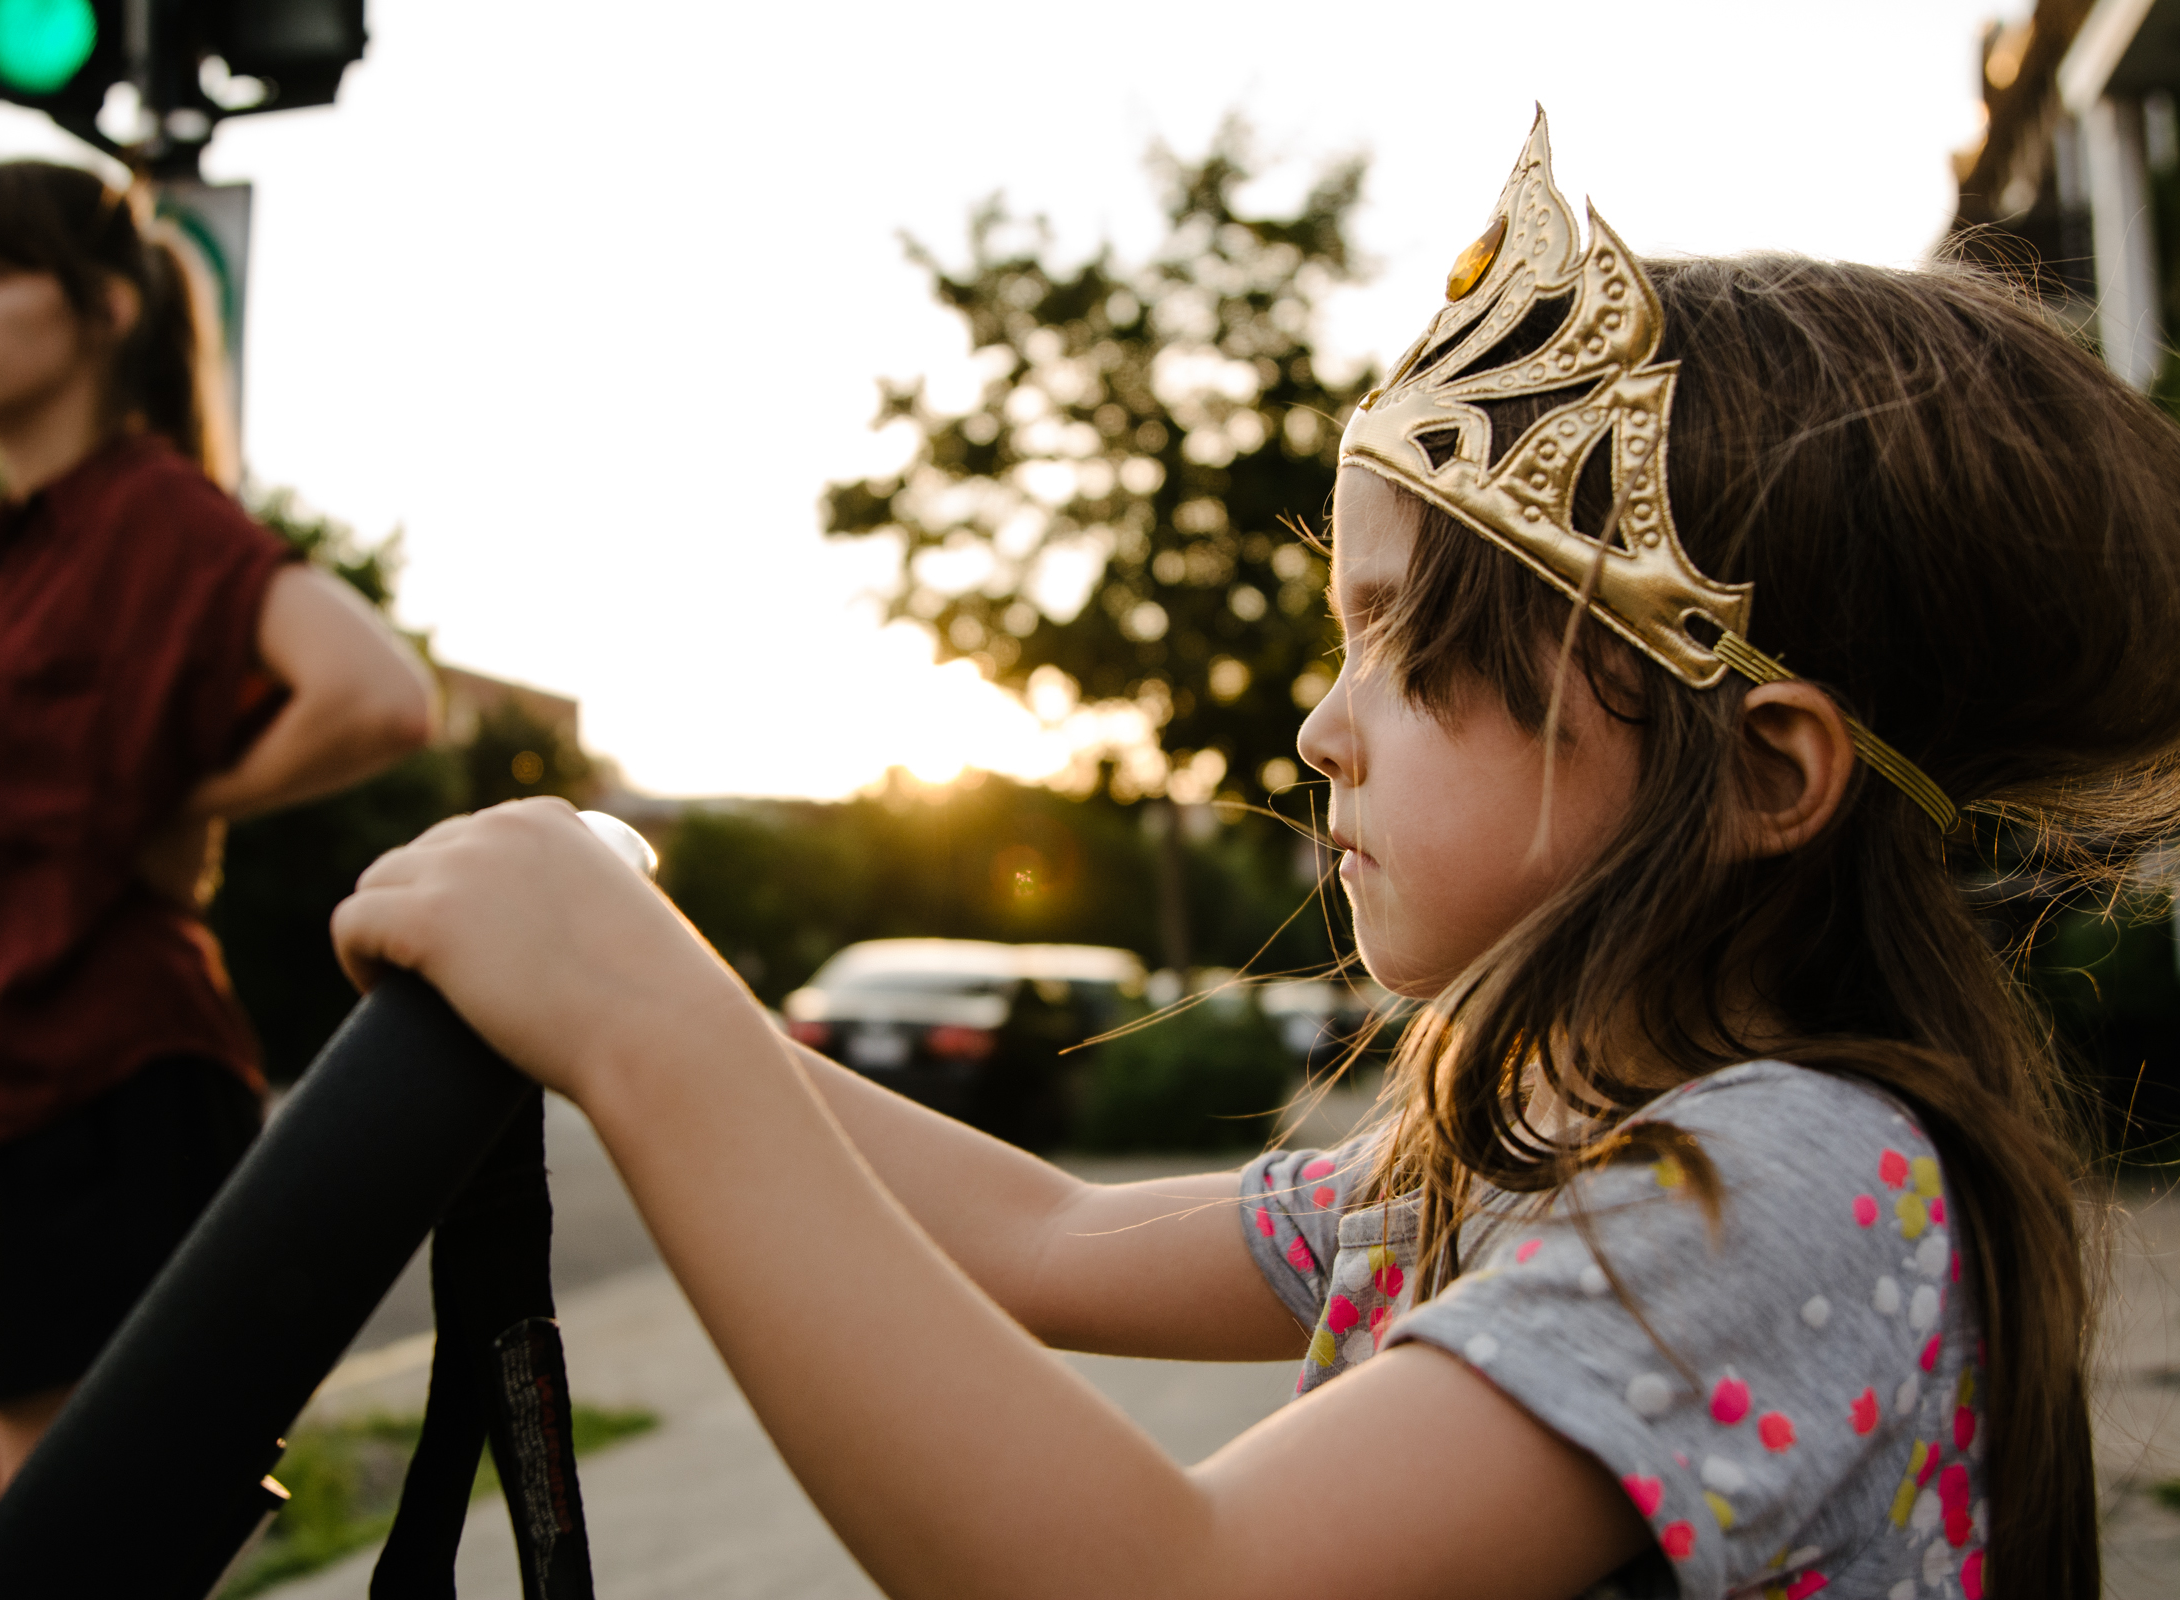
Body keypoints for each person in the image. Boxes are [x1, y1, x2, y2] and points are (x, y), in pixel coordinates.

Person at [329, 116, 2155, 1598]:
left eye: (1416, 653)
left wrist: (641, 1026)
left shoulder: (1777, 1179)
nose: (1320, 728)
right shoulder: (1539, 1136)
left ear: (1763, 773)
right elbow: (1041, 1238)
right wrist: (656, 994)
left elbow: (1173, 1577)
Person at [0, 161, 436, 1548]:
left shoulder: (149, 514)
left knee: (66, 1563)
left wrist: (186, 794)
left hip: (84, 1097)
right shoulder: (11, 553)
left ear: (106, 308)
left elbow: (382, 692)